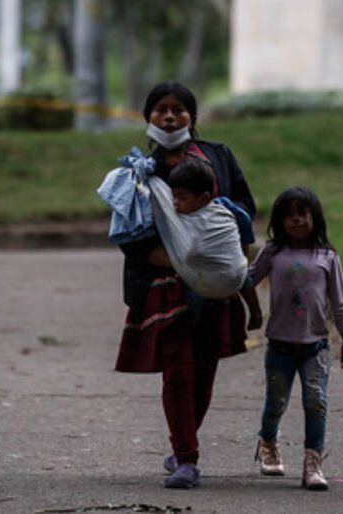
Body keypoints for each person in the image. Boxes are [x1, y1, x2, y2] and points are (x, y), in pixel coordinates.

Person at [115, 81, 258, 490]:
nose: (170, 116)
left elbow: (245, 205)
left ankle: (182, 445)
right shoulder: (139, 171)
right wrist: (181, 259)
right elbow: (132, 235)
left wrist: (217, 246)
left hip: (217, 282)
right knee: (180, 370)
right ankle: (188, 459)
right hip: (166, 284)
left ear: (191, 116)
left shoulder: (219, 156)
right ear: (148, 118)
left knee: (205, 371)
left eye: (178, 109)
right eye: (161, 109)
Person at [244, 186, 343, 491]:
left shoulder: (327, 256)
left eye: (302, 214)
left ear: (315, 218)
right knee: (276, 403)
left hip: (316, 345)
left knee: (316, 401)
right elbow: (248, 279)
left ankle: (313, 462)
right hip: (279, 344)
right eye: (289, 215)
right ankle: (268, 441)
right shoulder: (273, 253)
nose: (296, 221)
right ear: (279, 221)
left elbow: (339, 300)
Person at [167, 158, 261, 321]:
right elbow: (244, 219)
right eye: (173, 197)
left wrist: (244, 248)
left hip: (210, 282)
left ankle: (255, 312)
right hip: (233, 277)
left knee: (192, 296)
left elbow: (244, 220)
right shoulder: (183, 216)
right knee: (244, 277)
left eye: (181, 197)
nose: (175, 203)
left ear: (203, 198)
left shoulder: (221, 207)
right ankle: (255, 313)